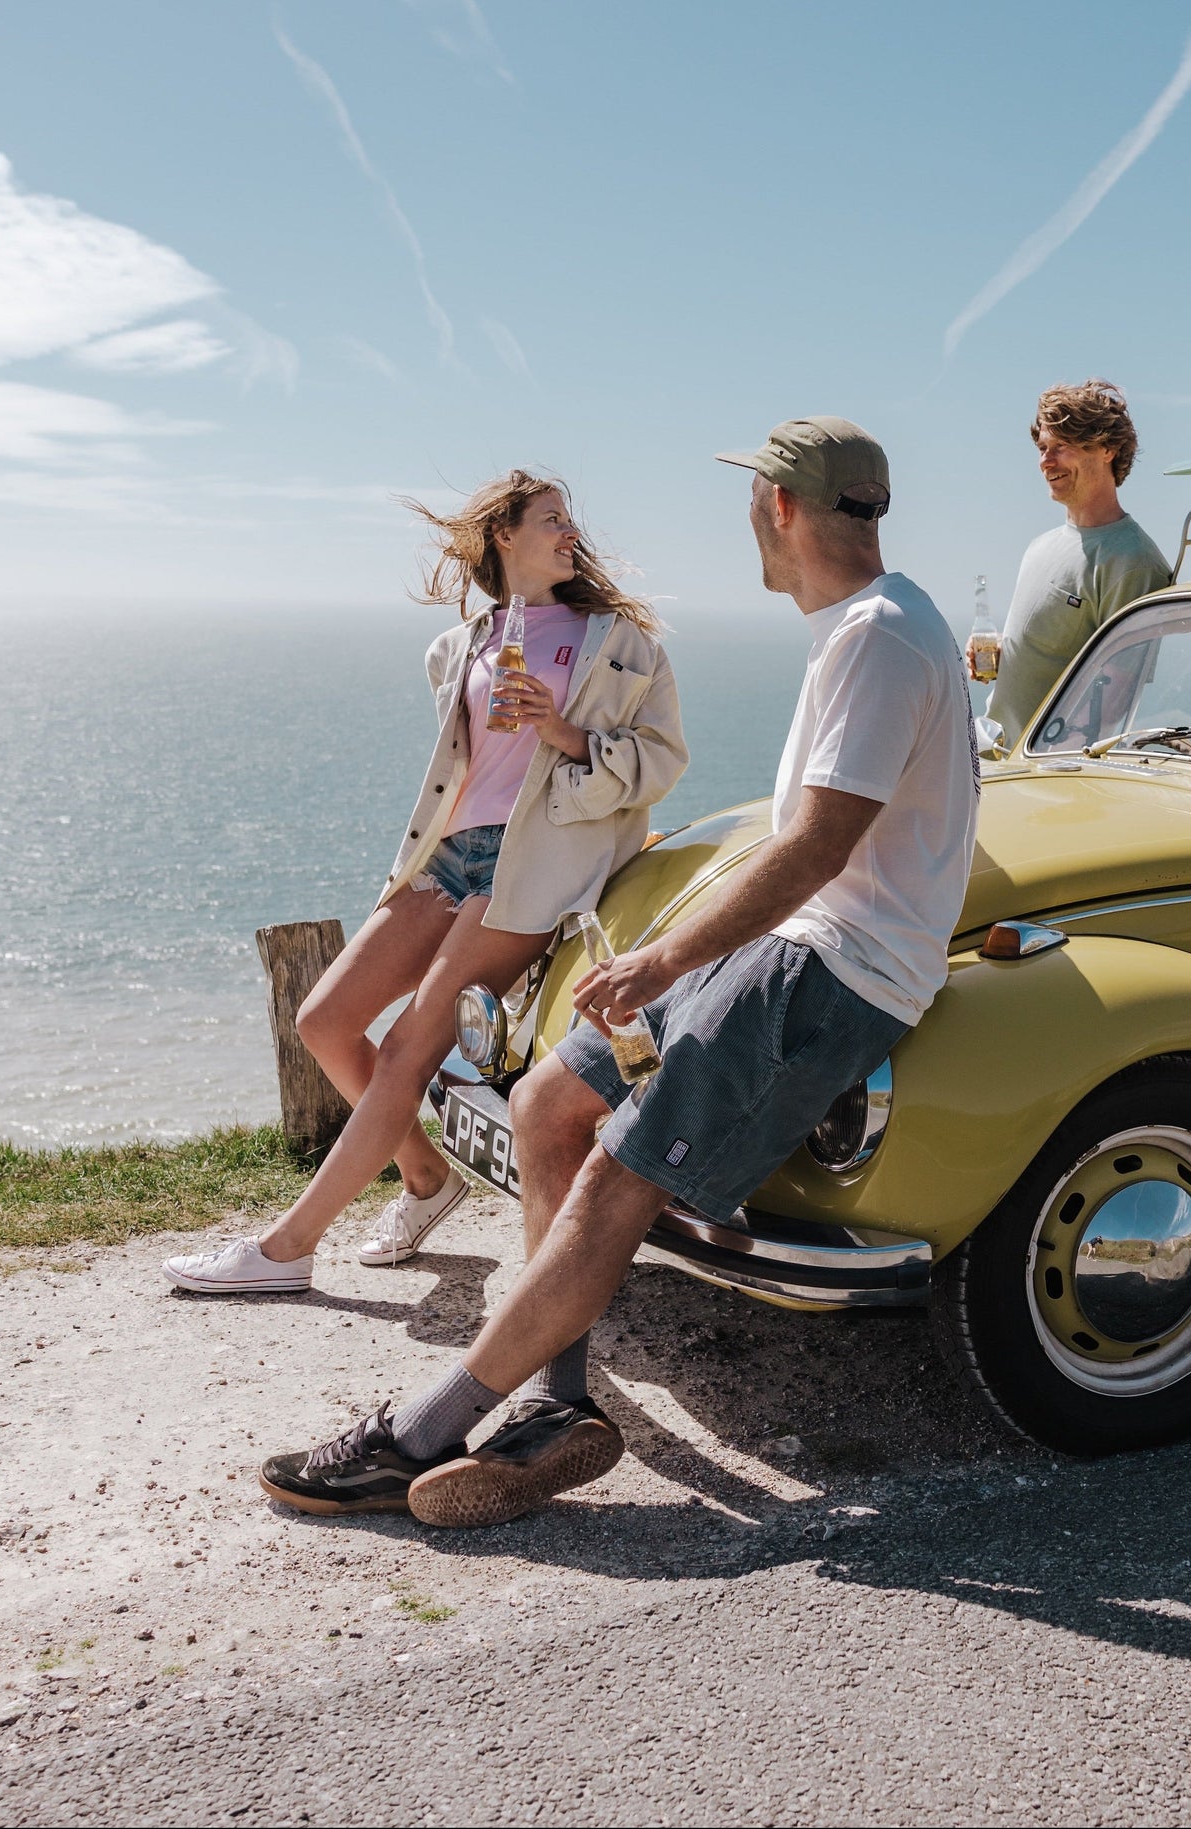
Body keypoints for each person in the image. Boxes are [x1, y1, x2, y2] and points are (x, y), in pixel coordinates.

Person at [256, 416, 977, 1525]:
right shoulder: (865, 626)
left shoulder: (882, 635)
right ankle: (559, 1406)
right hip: (779, 943)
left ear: (781, 508)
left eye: (753, 501)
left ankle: (418, 1434)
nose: (748, 519)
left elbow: (821, 844)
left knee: (614, 1174)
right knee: (548, 1103)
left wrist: (666, 956)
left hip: (834, 963)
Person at [164, 471, 687, 1295]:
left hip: (529, 871)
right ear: (504, 536)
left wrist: (561, 730)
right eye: (550, 519)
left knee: (411, 1046)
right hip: (447, 860)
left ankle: (286, 1247)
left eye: (569, 519)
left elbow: (660, 762)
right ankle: (426, 1179)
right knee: (325, 1020)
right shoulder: (461, 646)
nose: (569, 532)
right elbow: (459, 777)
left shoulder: (620, 642)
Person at [983, 379, 1176, 750]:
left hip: (1045, 772)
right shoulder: (1040, 546)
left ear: (1108, 448)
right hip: (995, 757)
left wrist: (1044, 763)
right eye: (1042, 448)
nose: (1046, 461)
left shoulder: (1135, 561)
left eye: (1062, 447)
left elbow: (1115, 697)